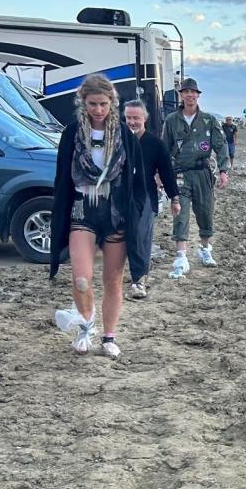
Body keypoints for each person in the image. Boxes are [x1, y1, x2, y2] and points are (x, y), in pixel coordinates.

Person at [50, 73, 148, 358]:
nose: (98, 110)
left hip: (115, 214)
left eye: (103, 104)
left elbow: (138, 179)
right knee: (81, 278)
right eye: (92, 104)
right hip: (82, 211)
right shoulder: (71, 134)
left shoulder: (124, 136)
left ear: (112, 103)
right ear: (83, 102)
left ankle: (109, 337)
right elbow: (61, 177)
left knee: (113, 280)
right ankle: (86, 327)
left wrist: (139, 213)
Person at [161, 77, 230, 278]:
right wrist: (159, 173)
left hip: (203, 173)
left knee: (205, 211)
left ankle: (205, 249)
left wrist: (224, 170)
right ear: (181, 95)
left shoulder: (209, 120)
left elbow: (220, 145)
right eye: (186, 92)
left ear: (198, 96)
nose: (190, 95)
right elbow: (164, 149)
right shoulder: (172, 120)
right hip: (180, 173)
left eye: (193, 92)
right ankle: (181, 256)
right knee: (180, 213)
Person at [124, 99, 181, 299]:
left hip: (146, 195)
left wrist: (174, 198)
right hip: (121, 196)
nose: (132, 122)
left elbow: (167, 172)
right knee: (123, 238)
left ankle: (139, 280)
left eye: (136, 118)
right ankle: (126, 275)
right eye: (128, 118)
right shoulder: (119, 141)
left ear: (145, 118)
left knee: (141, 236)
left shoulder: (156, 144)